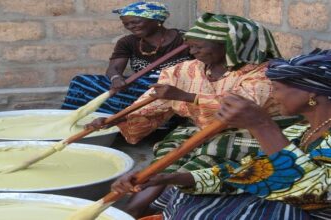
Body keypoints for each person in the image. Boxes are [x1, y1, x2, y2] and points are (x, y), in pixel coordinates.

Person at [89, 13, 297, 217]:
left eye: (199, 46)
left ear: (229, 46)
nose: (192, 50)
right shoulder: (184, 70)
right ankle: (137, 207)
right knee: (167, 159)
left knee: (196, 162)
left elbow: (242, 107)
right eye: (190, 44)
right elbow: (153, 102)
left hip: (251, 134)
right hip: (200, 130)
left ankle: (138, 209)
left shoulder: (262, 73)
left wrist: (186, 96)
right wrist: (115, 120)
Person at [112, 49, 331, 219]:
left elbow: (313, 197)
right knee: (182, 193)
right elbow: (253, 170)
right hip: (287, 195)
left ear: (312, 92)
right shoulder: (303, 131)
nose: (273, 95)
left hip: (309, 210)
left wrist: (262, 125)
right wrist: (171, 177)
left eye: (279, 89)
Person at [61, 1, 191, 114]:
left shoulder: (186, 40)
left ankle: (125, 118)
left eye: (135, 22)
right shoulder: (128, 42)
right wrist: (116, 78)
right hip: (140, 87)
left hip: (173, 89)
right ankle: (69, 121)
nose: (130, 27)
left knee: (137, 93)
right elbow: (114, 69)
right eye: (126, 24)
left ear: (157, 20)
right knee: (81, 82)